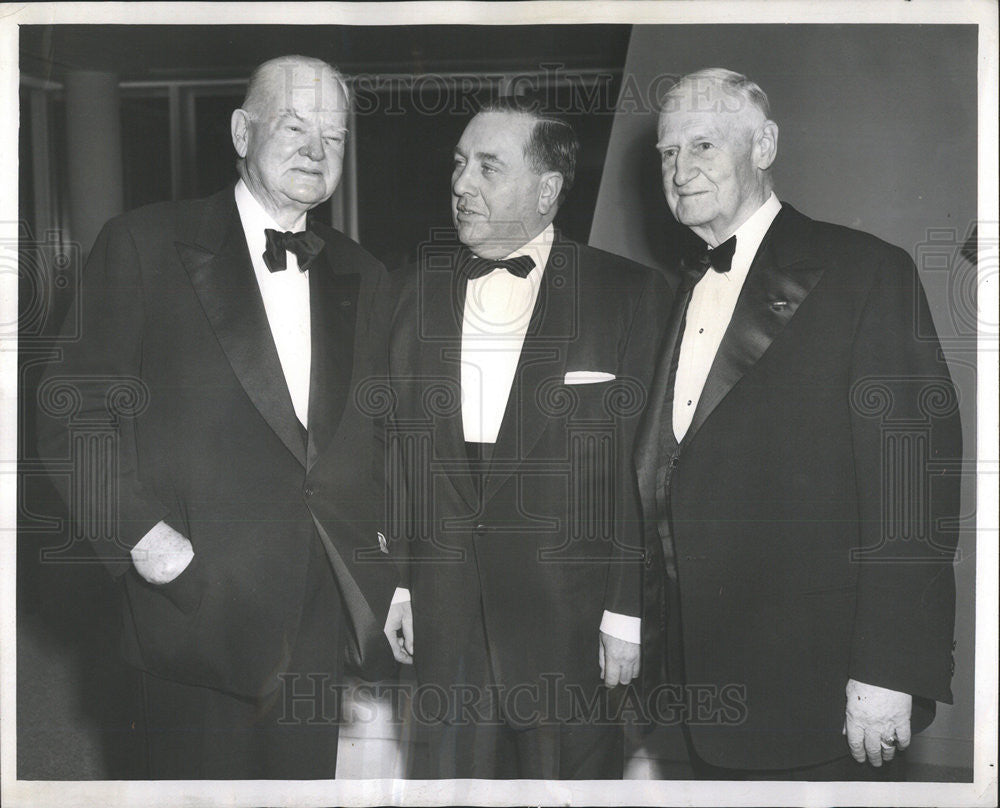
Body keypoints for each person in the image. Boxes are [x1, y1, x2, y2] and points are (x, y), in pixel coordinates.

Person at [36, 55, 398, 779]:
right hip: (192, 616)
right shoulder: (142, 244)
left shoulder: (366, 273)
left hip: (315, 621)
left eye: (334, 134)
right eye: (294, 126)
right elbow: (69, 410)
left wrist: (390, 576)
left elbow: (377, 436)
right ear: (242, 131)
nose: (316, 150)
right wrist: (140, 536)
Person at [636, 68, 963, 779]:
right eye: (667, 153)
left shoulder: (866, 272)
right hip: (701, 699)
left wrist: (889, 671)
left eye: (703, 146)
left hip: (823, 700)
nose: (681, 170)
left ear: (764, 146)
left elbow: (912, 489)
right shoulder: (680, 292)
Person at [382, 97, 671, 779]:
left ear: (548, 190)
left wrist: (625, 612)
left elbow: (642, 469)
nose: (460, 185)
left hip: (567, 624)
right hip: (446, 615)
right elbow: (396, 447)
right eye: (458, 165)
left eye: (487, 167)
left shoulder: (628, 294)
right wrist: (396, 583)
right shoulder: (411, 291)